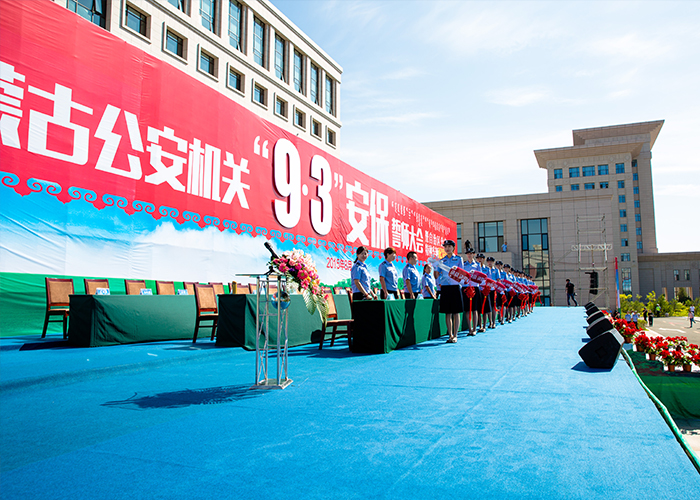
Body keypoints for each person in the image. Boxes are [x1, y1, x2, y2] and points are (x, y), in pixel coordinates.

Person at [434, 240, 464, 343]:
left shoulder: (459, 259)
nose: (447, 248)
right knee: (447, 312)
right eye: (445, 247)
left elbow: (462, 274)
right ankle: (450, 335)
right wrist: (435, 267)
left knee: (456, 312)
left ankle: (455, 335)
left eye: (449, 246)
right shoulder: (442, 261)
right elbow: (436, 276)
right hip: (445, 287)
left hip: (455, 287)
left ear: (453, 247)